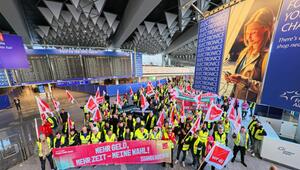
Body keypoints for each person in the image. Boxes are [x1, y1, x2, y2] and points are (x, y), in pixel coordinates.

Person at [224, 8, 275, 102]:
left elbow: (269, 90)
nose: (249, 37)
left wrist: (245, 81)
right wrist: (232, 77)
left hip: (249, 105)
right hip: (236, 100)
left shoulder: (267, 56)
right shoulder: (245, 52)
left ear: (266, 29)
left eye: (253, 32)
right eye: (247, 33)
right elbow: (239, 79)